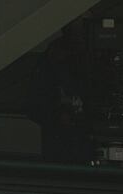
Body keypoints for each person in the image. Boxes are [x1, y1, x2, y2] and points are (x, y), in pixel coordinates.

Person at [27, 16, 95, 164]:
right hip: (61, 145)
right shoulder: (54, 59)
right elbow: (36, 104)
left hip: (87, 141)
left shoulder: (94, 57)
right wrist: (59, 111)